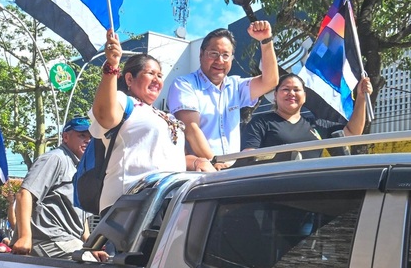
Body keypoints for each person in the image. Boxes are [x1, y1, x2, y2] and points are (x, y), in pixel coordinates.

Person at [91, 30, 215, 213]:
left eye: (160, 75)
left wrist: (198, 162)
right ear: (129, 79)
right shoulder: (124, 101)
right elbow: (104, 116)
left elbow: (175, 158)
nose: (157, 79)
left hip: (168, 201)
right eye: (151, 73)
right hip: (130, 203)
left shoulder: (166, 116)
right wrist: (111, 65)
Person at [167, 22, 280, 165]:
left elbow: (270, 81)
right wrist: (215, 162)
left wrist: (266, 40)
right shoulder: (184, 84)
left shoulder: (235, 86)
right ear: (201, 54)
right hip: (199, 173)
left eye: (225, 55)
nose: (219, 60)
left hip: (229, 172)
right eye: (213, 53)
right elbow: (191, 129)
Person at [10, 117, 93, 258]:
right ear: (65, 137)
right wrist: (24, 237)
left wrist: (91, 246)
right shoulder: (55, 158)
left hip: (68, 240)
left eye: (91, 137)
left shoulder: (80, 167)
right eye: (82, 135)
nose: (88, 140)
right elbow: (24, 194)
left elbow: (80, 216)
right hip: (48, 239)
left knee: (104, 265)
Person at [241, 74, 372, 160]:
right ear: (275, 95)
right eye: (286, 89)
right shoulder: (260, 123)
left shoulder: (316, 125)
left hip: (310, 192)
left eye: (296, 90)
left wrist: (361, 98)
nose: (291, 93)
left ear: (304, 97)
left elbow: (353, 132)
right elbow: (249, 158)